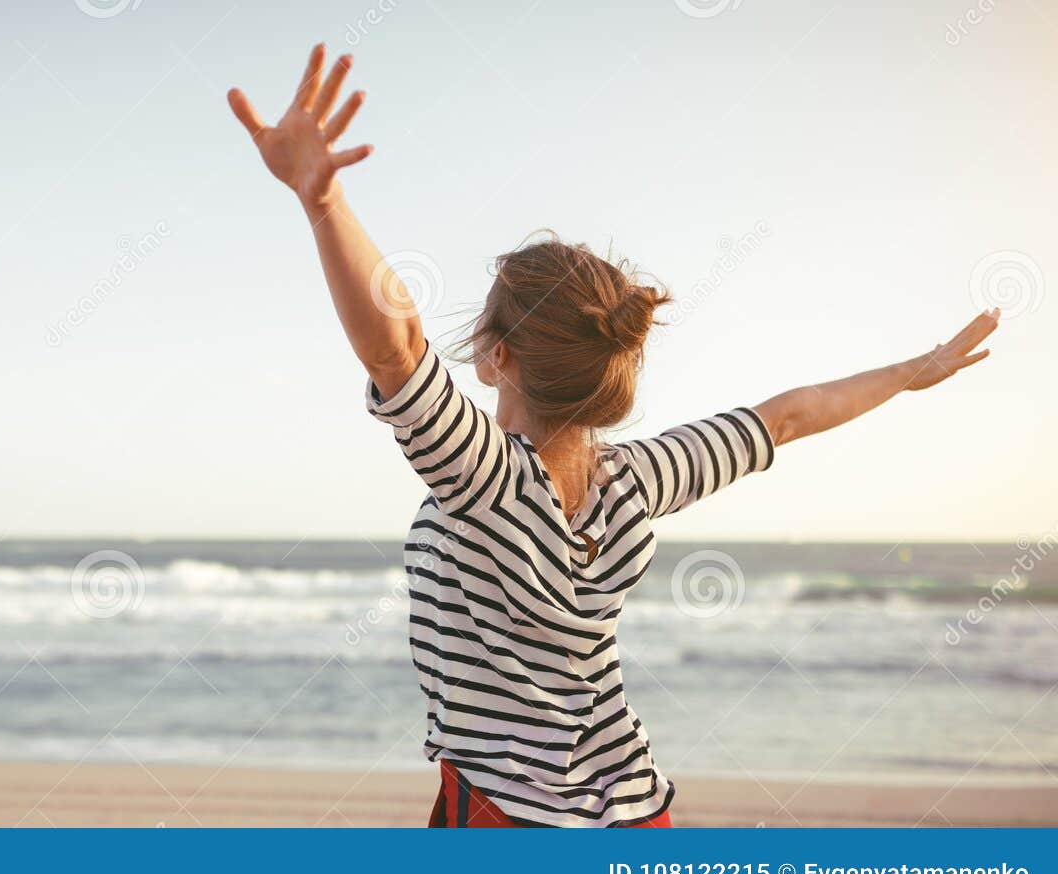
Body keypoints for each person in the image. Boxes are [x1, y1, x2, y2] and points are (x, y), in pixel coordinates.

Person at [227, 45, 999, 827]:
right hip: (635, 810)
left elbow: (395, 347)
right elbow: (786, 417)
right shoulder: (641, 480)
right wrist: (910, 372)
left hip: (507, 822)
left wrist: (323, 204)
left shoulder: (484, 477)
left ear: (499, 358)